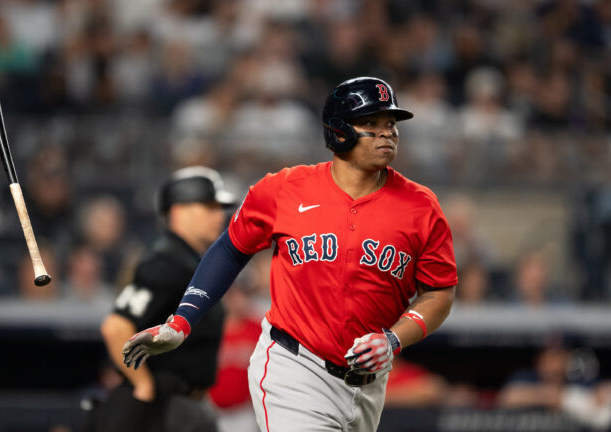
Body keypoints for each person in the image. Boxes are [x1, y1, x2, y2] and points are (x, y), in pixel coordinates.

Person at [121, 77, 458, 432]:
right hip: (296, 368)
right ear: (338, 131)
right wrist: (182, 320)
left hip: (369, 383)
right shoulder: (284, 189)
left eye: (390, 124)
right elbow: (230, 249)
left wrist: (394, 338)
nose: (386, 133)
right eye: (370, 123)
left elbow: (439, 291)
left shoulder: (421, 206)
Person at [93, 167, 236, 432]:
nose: (219, 215)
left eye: (219, 207)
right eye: (209, 206)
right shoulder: (166, 261)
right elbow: (115, 327)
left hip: (187, 406)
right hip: (165, 409)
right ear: (179, 211)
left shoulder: (191, 261)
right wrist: (144, 386)